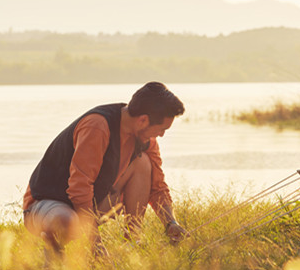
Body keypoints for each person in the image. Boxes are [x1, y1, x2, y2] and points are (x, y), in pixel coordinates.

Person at [22, 82, 187, 254]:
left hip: (87, 205)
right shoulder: (97, 126)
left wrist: (171, 224)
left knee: (144, 162)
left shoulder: (145, 139)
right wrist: (96, 243)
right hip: (47, 205)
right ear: (143, 120)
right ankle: (52, 250)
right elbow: (79, 188)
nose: (161, 134)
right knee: (66, 223)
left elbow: (157, 186)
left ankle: (132, 242)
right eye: (162, 129)